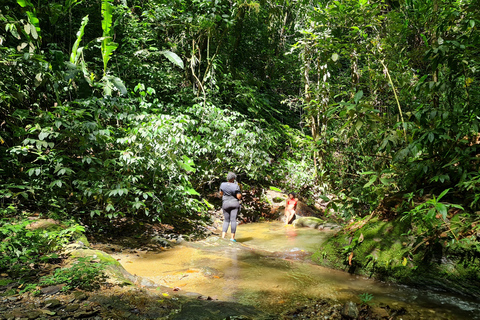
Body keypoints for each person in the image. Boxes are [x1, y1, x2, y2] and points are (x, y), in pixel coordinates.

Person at [219, 172, 242, 242]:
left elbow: (221, 194)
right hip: (234, 204)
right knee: (233, 220)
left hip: (225, 203)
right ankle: (232, 238)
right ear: (233, 178)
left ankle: (223, 237)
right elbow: (238, 197)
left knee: (226, 220)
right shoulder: (236, 186)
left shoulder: (222, 184)